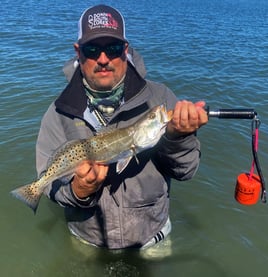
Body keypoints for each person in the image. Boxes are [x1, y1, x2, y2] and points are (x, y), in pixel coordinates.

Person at [37, 4, 208, 250]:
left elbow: (185, 172)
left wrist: (178, 138)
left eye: (113, 48)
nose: (103, 59)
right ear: (78, 52)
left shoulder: (159, 98)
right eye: (92, 49)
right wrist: (78, 191)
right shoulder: (57, 113)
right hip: (88, 240)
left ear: (125, 50)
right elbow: (51, 189)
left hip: (151, 237)